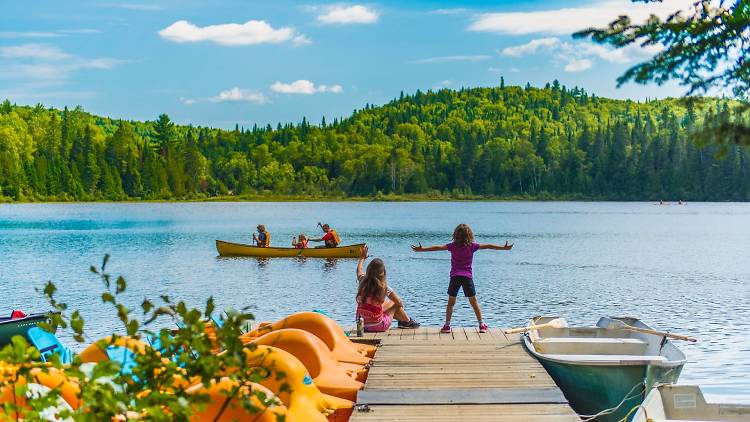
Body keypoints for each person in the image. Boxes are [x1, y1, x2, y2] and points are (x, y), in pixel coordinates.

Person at [411, 223, 512, 334]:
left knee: (451, 302)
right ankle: (481, 325)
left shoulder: (452, 246)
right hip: (467, 277)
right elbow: (488, 245)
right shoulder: (472, 246)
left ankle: (447, 326)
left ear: (455, 235)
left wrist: (422, 249)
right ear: (469, 235)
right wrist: (503, 248)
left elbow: (437, 247)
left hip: (455, 277)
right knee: (474, 302)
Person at [356, 245, 420, 332]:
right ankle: (407, 321)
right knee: (394, 303)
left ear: (368, 270)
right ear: (383, 272)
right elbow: (399, 302)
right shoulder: (384, 287)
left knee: (382, 304)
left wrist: (362, 258)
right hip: (378, 326)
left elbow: (359, 270)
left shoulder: (362, 281)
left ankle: (404, 321)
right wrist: (401, 308)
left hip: (362, 324)